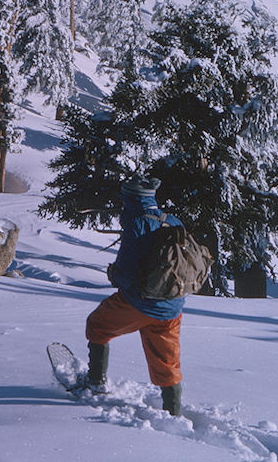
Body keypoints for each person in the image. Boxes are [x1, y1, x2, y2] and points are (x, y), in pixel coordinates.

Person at [82, 175, 185, 416]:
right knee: (167, 360)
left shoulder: (137, 223)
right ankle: (173, 412)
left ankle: (95, 383)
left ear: (130, 199)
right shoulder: (173, 221)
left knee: (97, 325)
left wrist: (114, 275)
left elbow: (125, 271)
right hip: (172, 306)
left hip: (139, 303)